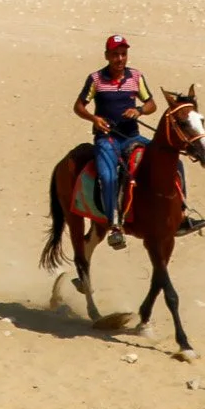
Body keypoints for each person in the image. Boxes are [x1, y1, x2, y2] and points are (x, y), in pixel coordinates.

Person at [73, 36, 157, 250]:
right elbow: (79, 106)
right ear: (107, 56)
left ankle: (181, 213)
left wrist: (138, 110)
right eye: (115, 54)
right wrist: (95, 119)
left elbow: (151, 104)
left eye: (123, 54)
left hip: (132, 137)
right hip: (107, 139)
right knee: (108, 177)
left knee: (169, 162)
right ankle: (115, 226)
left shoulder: (136, 77)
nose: (120, 59)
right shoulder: (96, 79)